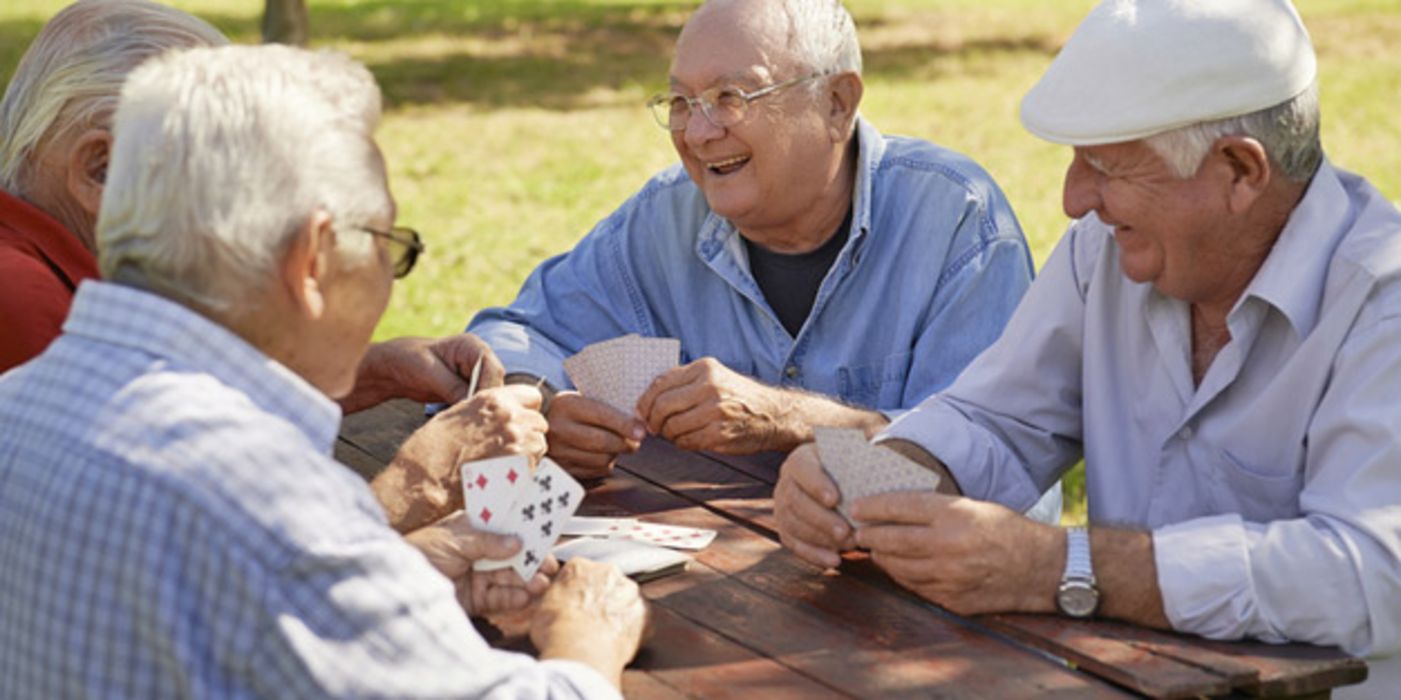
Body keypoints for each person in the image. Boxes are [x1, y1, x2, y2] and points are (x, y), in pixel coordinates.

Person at [774, 0, 1400, 696]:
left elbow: (1371, 573)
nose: (1073, 199)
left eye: (1106, 166)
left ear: (1238, 171)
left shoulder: (1383, 303)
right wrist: (872, 477)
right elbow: (997, 419)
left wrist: (1062, 567)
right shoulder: (1104, 253)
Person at [0, 44, 645, 697]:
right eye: (388, 248)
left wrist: (404, 571)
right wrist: (585, 642)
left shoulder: (18, 401)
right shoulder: (268, 494)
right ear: (311, 259)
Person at [467, 0, 1059, 519]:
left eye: (731, 97)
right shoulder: (666, 217)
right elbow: (510, 335)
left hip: (911, 613)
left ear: (836, 102)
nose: (697, 133)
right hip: (724, 597)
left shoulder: (955, 218)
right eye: (680, 100)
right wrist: (541, 403)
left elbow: (993, 477)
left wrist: (793, 421)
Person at [0, 0, 506, 417]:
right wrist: (422, 482)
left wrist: (372, 372)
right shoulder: (26, 300)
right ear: (100, 170)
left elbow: (191, 405)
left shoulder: (63, 270)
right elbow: (177, 492)